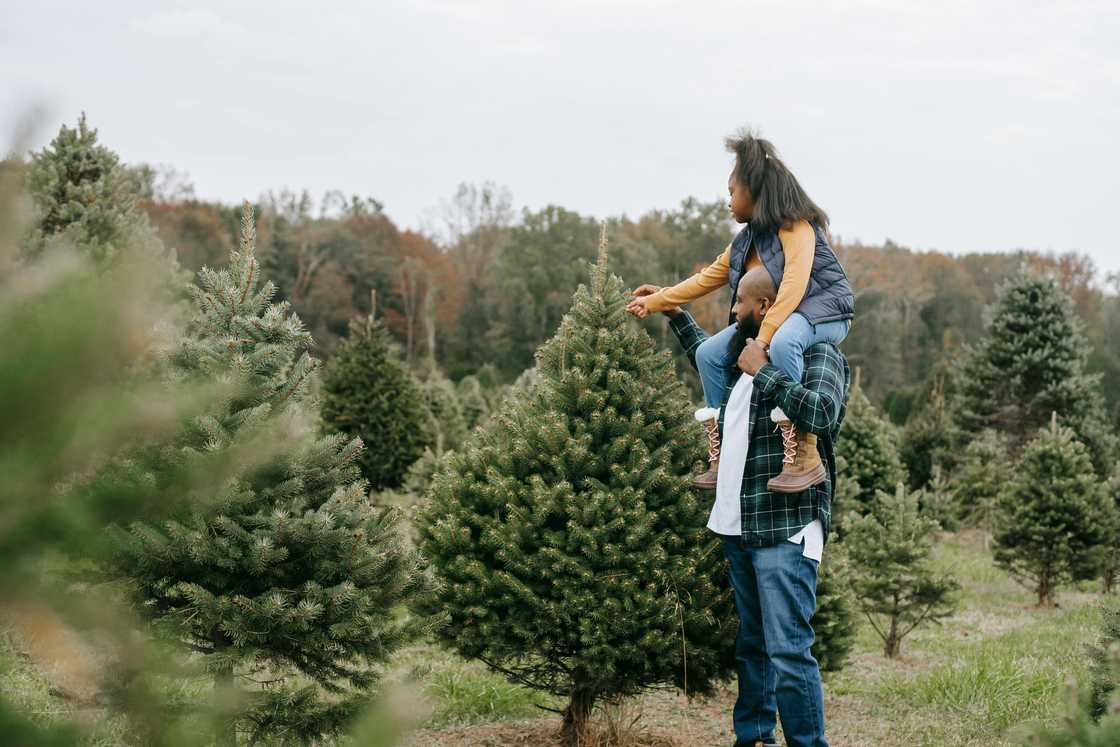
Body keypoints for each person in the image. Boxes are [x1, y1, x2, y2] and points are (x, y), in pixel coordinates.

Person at [654, 265, 851, 747]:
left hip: (785, 525)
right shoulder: (745, 360)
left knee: (788, 650)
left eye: (739, 301)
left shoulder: (815, 352)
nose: (733, 309)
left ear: (765, 307)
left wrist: (764, 372)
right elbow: (709, 357)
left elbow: (824, 413)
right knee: (753, 648)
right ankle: (754, 738)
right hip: (740, 525)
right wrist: (675, 312)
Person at [626, 130, 854, 493]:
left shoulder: (795, 227)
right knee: (708, 353)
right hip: (781, 319)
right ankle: (721, 456)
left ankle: (803, 454)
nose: (728, 200)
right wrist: (656, 301)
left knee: (783, 344)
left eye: (732, 192)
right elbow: (705, 279)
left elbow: (794, 287)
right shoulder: (744, 243)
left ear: (753, 190)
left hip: (824, 313)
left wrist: (762, 341)